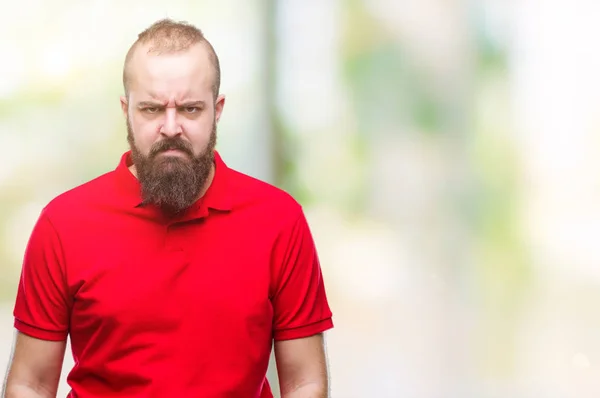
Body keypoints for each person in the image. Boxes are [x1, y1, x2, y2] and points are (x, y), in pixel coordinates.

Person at [2, 18, 333, 398]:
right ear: (127, 110)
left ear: (217, 109)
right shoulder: (63, 224)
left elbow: (305, 381)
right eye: (152, 109)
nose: (171, 127)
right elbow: (30, 383)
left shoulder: (278, 219)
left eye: (191, 109)